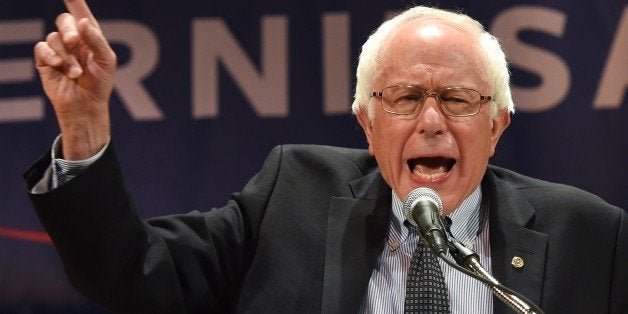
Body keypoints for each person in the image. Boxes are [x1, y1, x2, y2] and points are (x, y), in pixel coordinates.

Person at [25, 0, 627, 313]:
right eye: (406, 98)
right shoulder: (293, 197)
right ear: (367, 124)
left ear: (498, 125)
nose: (432, 122)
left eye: (459, 100)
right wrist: (83, 128)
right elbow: (134, 275)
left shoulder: (590, 236)